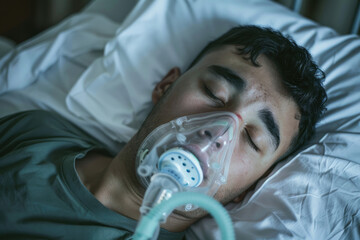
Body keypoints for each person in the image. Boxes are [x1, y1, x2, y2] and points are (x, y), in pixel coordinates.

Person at [0, 25, 327, 239]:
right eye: (215, 92)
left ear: (247, 189)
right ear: (165, 86)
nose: (217, 133)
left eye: (252, 138)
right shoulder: (38, 133)